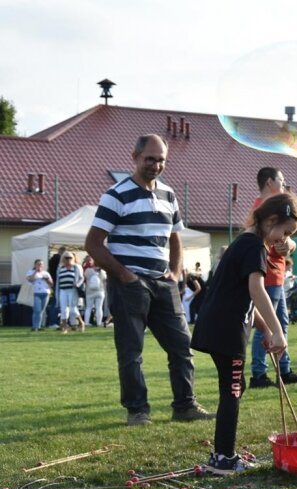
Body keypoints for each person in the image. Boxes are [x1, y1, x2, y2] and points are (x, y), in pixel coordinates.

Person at [85, 134, 214, 426]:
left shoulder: (169, 195)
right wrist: (125, 276)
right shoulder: (116, 194)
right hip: (130, 285)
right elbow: (93, 244)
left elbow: (175, 237)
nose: (156, 165)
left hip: (163, 283)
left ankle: (185, 405)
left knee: (182, 346)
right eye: (150, 159)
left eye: (161, 160)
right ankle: (138, 411)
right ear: (135, 156)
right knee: (132, 352)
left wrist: (176, 271)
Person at [192, 193, 297, 474]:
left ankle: (223, 453)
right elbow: (256, 290)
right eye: (284, 231)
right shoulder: (254, 247)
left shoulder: (245, 243)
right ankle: (224, 459)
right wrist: (278, 331)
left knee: (233, 389)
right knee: (233, 390)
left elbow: (244, 301)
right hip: (227, 332)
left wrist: (265, 329)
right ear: (271, 220)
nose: (284, 239)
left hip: (219, 326)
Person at [245, 167, 297, 389]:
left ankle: (284, 369)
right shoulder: (261, 210)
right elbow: (255, 241)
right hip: (267, 277)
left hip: (278, 275)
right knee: (266, 326)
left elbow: (291, 242)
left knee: (281, 324)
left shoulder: (282, 211)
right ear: (269, 182)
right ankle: (259, 373)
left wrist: (288, 244)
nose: (284, 184)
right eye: (281, 180)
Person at [57, 251, 85, 333]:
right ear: (63, 259)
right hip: (63, 289)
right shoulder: (60, 268)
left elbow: (82, 278)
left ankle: (81, 322)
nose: (68, 259)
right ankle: (65, 327)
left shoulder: (76, 267)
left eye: (70, 258)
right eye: (66, 258)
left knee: (73, 308)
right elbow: (58, 279)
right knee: (63, 309)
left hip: (72, 289)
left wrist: (77, 284)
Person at [26, 259, 53, 331]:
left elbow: (51, 284)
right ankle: (35, 326)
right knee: (37, 310)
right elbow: (30, 279)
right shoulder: (30, 272)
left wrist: (46, 279)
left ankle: (38, 326)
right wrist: (36, 271)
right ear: (35, 265)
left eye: (41, 264)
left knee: (41, 310)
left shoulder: (46, 273)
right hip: (36, 292)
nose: (40, 266)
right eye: (38, 264)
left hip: (45, 292)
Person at [45, 246, 65, 328]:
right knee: (56, 303)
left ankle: (53, 322)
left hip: (53, 283)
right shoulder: (59, 260)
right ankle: (53, 322)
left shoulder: (51, 260)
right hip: (58, 284)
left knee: (55, 303)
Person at [83, 262, 107, 326]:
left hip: (89, 292)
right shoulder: (103, 272)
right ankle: (99, 323)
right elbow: (105, 281)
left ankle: (86, 322)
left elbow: (84, 278)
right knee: (99, 307)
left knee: (88, 308)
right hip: (100, 291)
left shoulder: (88, 271)